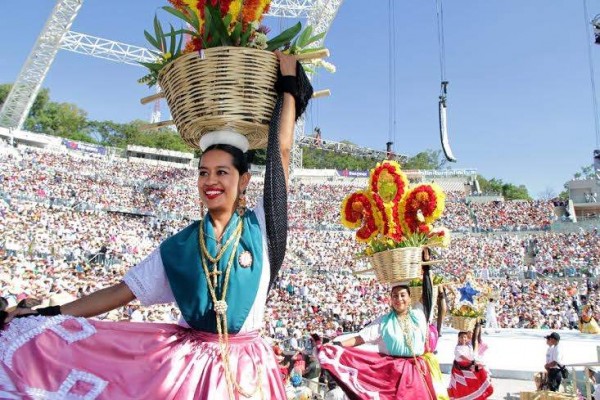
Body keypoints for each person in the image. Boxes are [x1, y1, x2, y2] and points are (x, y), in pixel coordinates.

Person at [0, 51, 312, 399]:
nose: (210, 181)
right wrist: (48, 314)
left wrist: (287, 86)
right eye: (203, 172)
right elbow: (120, 293)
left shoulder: (261, 227)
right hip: (189, 371)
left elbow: (281, 154)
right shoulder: (179, 247)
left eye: (222, 172)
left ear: (244, 180)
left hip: (249, 370)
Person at [318, 284, 437, 399]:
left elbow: (428, 293)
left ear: (409, 298)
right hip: (394, 371)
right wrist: (336, 345)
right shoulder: (384, 321)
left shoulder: (419, 315)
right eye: (395, 296)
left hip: (416, 372)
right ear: (391, 299)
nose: (399, 299)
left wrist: (426, 269)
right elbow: (360, 338)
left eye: (402, 295)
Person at [447, 324, 493, 399]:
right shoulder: (457, 347)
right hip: (460, 369)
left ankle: (482, 390)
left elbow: (474, 340)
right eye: (461, 337)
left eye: (465, 337)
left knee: (480, 370)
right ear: (458, 338)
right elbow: (463, 357)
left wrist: (477, 327)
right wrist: (472, 361)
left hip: (469, 366)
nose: (463, 339)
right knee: (461, 385)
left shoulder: (469, 345)